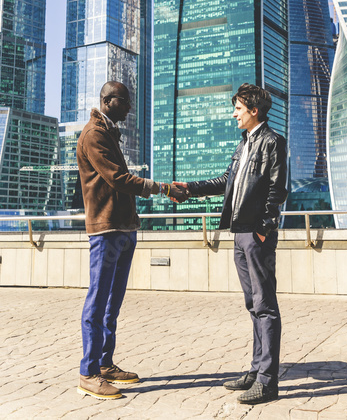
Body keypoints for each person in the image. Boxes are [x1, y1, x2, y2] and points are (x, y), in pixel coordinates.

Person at [172, 83, 288, 405]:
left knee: (265, 307)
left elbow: (277, 189)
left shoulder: (272, 142)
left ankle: (267, 382)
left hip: (256, 234)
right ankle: (256, 369)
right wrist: (190, 189)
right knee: (253, 304)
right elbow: (227, 182)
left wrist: (264, 229)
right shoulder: (244, 144)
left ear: (254, 110)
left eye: (238, 109)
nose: (234, 114)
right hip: (240, 233)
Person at [76, 80, 184, 400]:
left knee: (113, 303)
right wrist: (163, 188)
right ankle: (88, 373)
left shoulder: (109, 133)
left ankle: (105, 364)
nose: (129, 107)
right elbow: (117, 179)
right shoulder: (94, 135)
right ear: (108, 101)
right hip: (106, 229)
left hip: (123, 228)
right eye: (124, 101)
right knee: (98, 302)